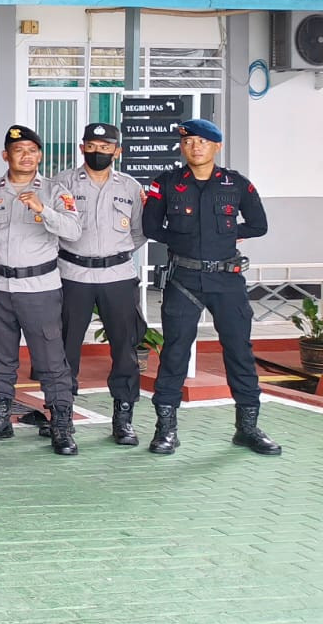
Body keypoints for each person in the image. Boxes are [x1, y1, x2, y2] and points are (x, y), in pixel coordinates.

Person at [142, 118, 279, 456]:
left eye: (203, 142)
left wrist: (226, 237)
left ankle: (247, 428)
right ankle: (166, 430)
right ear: (182, 146)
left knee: (239, 353)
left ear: (217, 146)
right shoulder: (167, 183)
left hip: (227, 280)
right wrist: (188, 240)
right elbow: (150, 226)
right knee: (174, 353)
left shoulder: (237, 185)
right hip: (183, 279)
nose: (195, 147)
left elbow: (259, 225)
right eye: (188, 142)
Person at [0, 126, 82, 456]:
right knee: (0, 359)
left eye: (32, 150)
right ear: (6, 155)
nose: (26, 155)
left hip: (40, 289)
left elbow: (74, 231)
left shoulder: (54, 191)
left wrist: (42, 210)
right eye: (18, 149)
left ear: (40, 156)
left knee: (51, 359)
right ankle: (2, 417)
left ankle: (61, 423)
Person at [51, 122, 149, 446]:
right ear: (82, 148)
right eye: (92, 146)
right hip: (73, 274)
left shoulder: (131, 187)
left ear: (116, 151)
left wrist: (110, 255)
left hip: (117, 276)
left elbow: (138, 232)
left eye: (106, 147)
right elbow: (51, 227)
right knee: (65, 348)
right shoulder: (62, 182)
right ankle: (62, 416)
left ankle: (123, 416)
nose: (98, 152)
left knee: (124, 348)